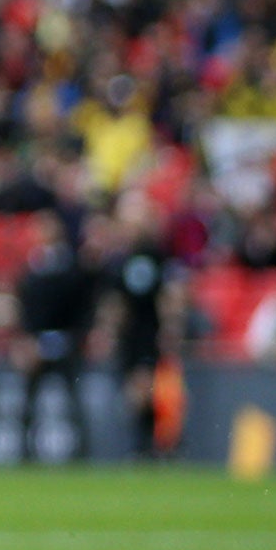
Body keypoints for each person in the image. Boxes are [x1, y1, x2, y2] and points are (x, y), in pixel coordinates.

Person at [93, 192, 185, 458]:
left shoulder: (157, 255)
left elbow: (169, 295)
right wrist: (107, 330)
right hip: (129, 336)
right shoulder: (119, 260)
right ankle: (149, 446)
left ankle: (152, 446)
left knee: (144, 390)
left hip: (149, 332)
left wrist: (170, 327)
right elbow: (114, 301)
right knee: (135, 392)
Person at [15, 208, 98, 463]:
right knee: (29, 405)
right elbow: (26, 308)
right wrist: (28, 340)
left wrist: (72, 337)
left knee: (73, 403)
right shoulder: (32, 266)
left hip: (66, 342)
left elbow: (82, 306)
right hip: (37, 342)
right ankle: (26, 453)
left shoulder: (71, 266)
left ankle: (80, 454)